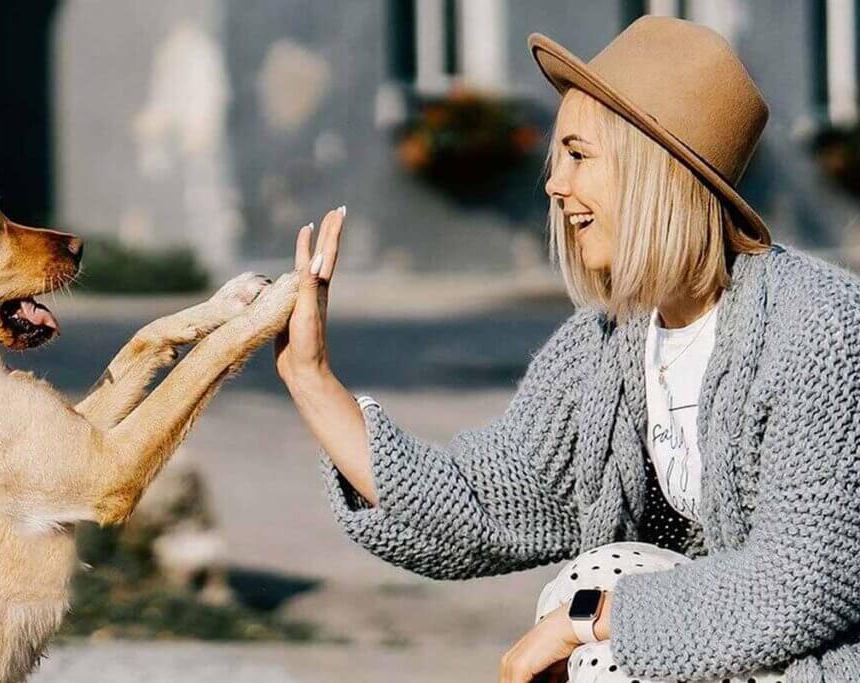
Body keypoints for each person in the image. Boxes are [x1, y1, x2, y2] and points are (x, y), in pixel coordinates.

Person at [274, 16, 860, 683]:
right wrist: (312, 377)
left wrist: (590, 618)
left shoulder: (819, 327)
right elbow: (483, 503)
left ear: (653, 166)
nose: (555, 184)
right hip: (755, 645)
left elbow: (802, 580)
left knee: (597, 630)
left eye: (579, 155)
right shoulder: (610, 342)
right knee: (595, 580)